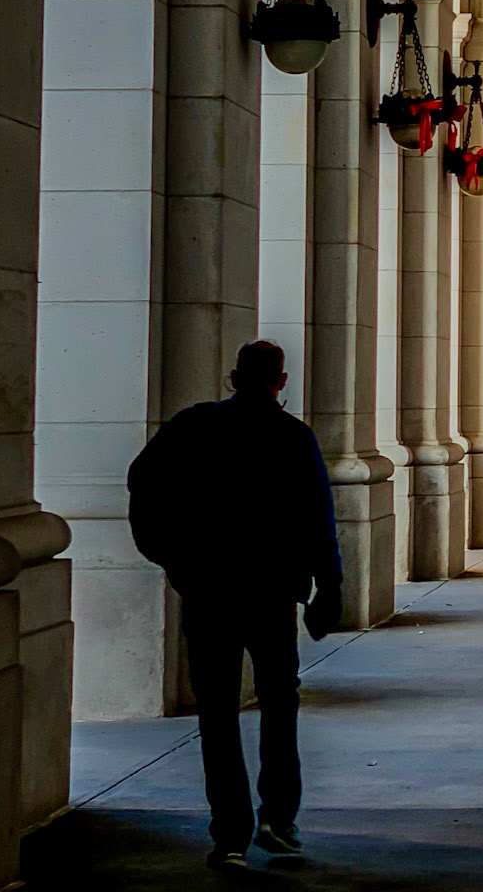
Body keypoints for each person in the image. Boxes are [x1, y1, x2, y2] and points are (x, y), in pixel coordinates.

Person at [127, 339, 341, 871]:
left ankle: (229, 834)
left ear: (232, 376)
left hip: (209, 591)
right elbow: (320, 517)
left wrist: (171, 558)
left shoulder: (192, 426)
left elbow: (142, 483)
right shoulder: (294, 437)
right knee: (279, 704)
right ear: (280, 382)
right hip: (270, 592)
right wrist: (328, 585)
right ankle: (279, 820)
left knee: (218, 713)